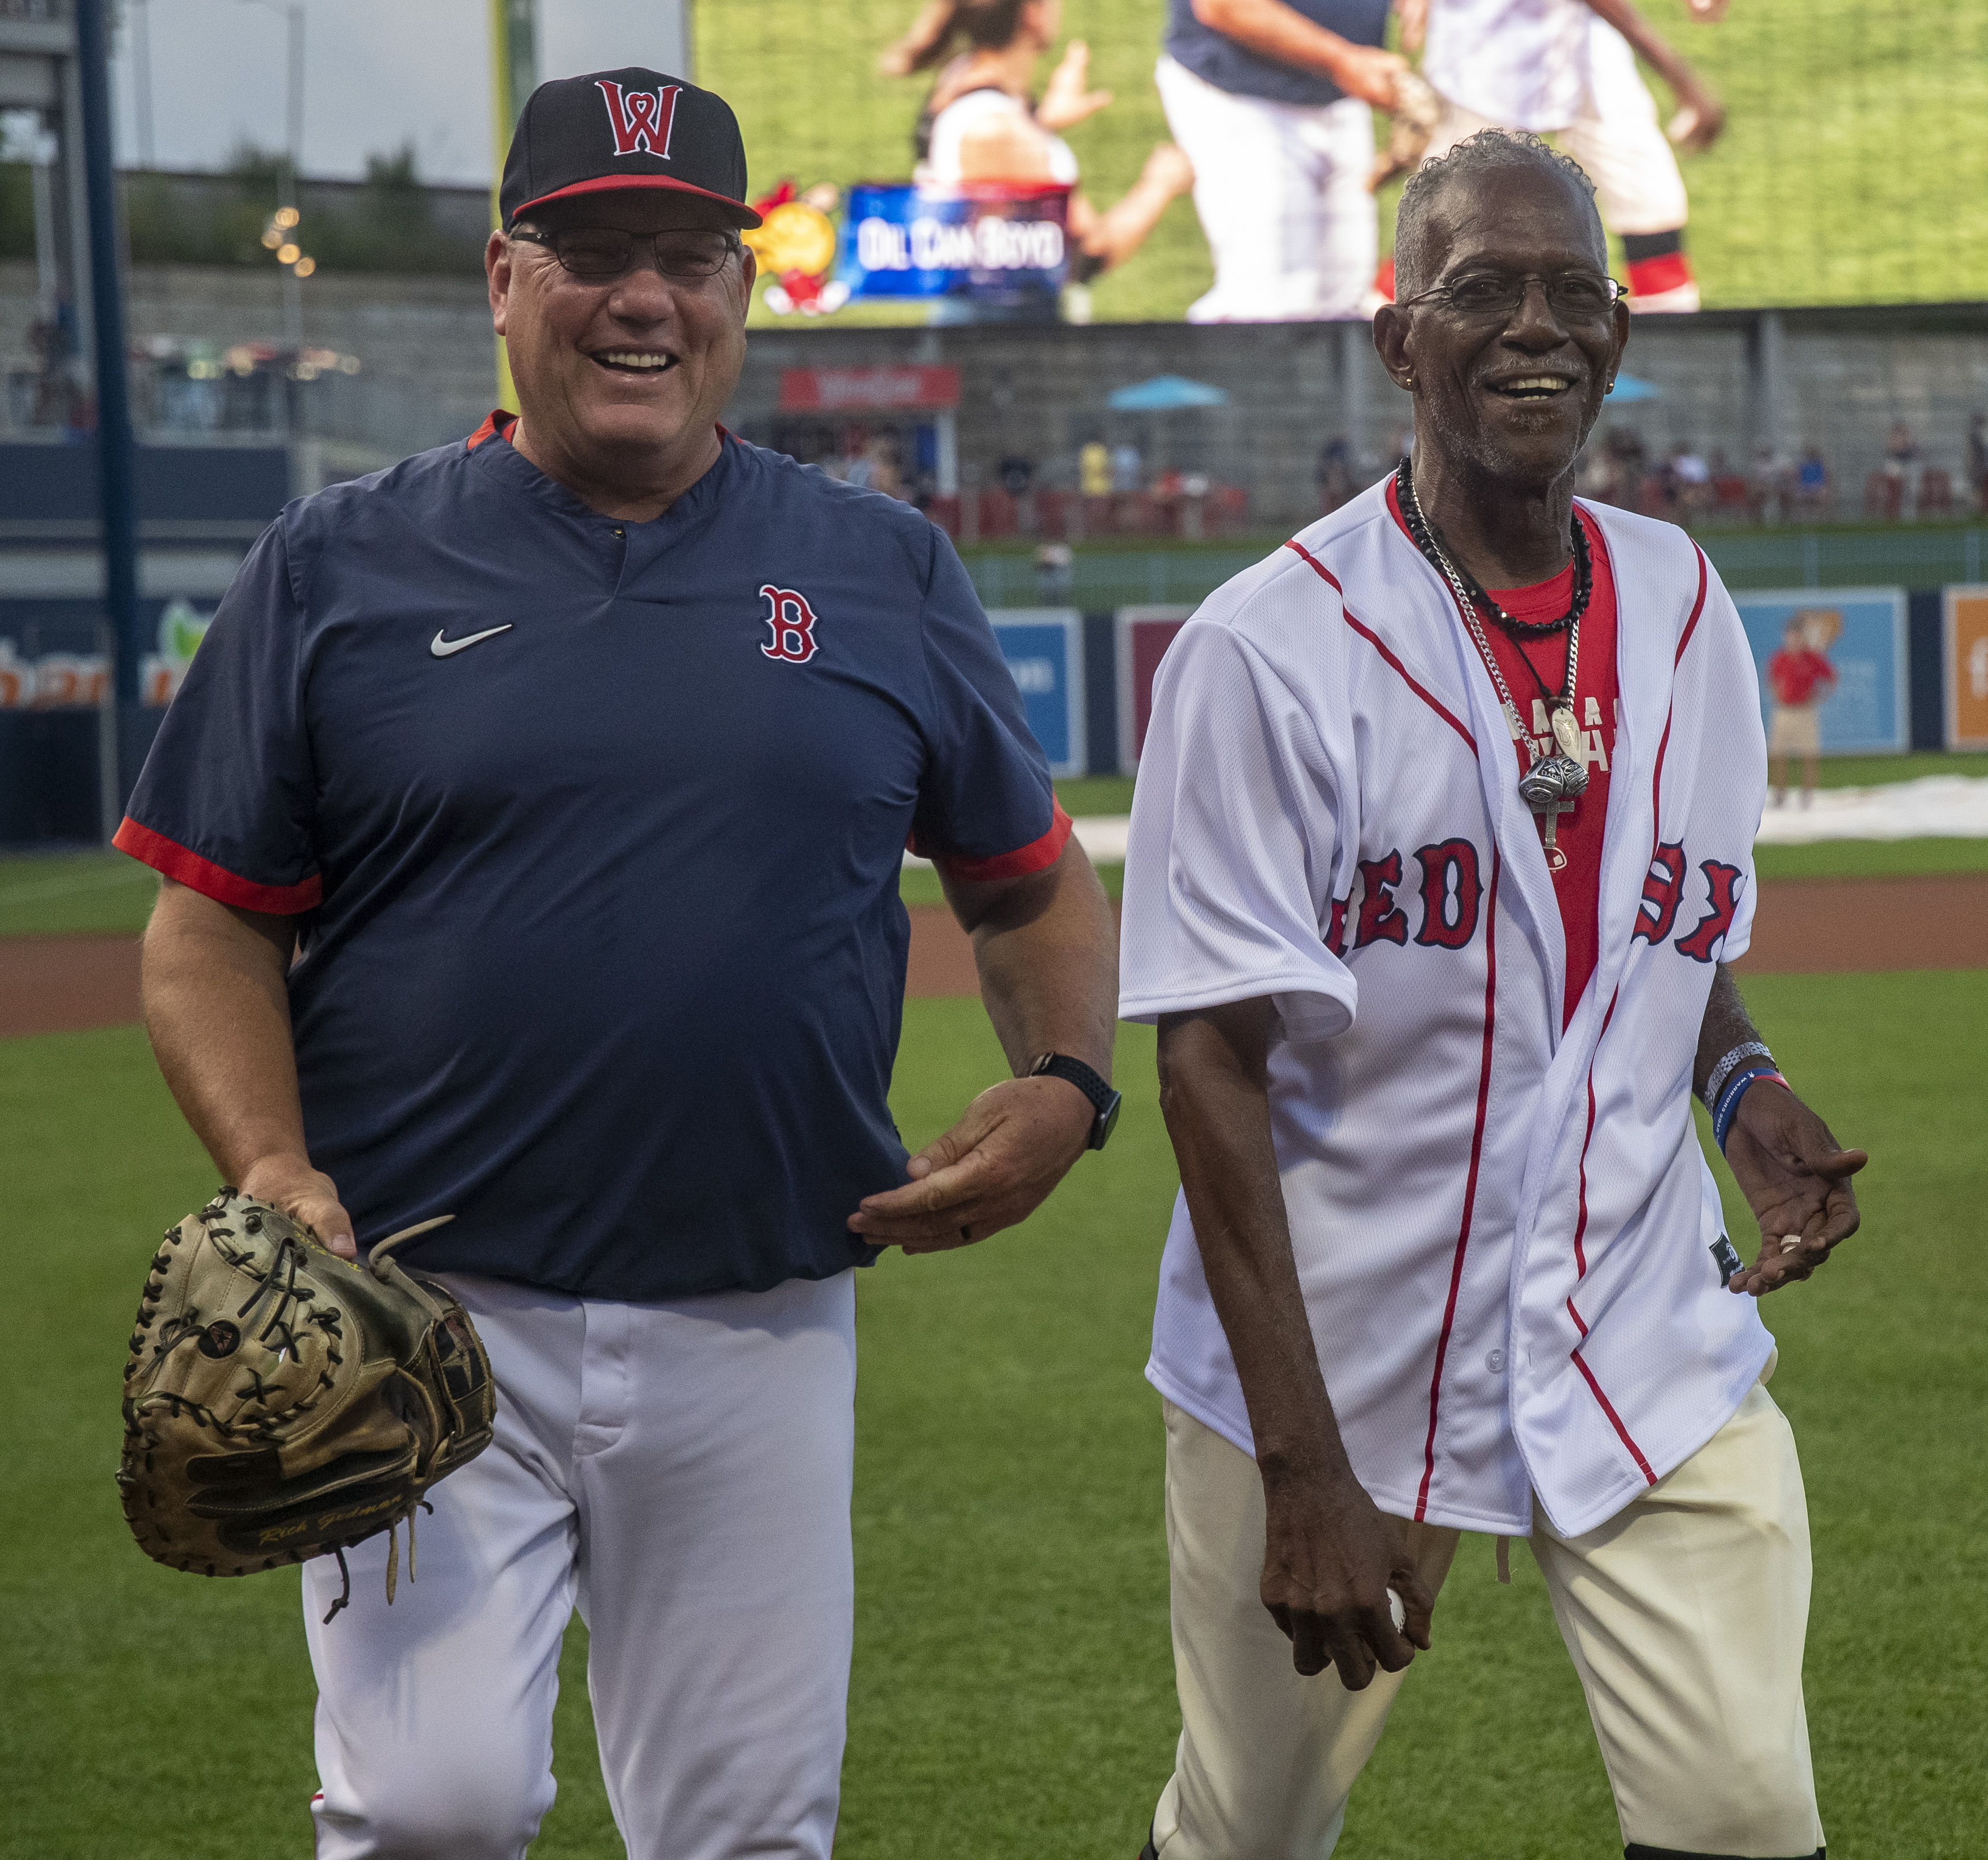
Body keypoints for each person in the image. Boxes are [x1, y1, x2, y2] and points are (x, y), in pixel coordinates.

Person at [112, 68, 1120, 1859]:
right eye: (588, 251)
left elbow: (1029, 885)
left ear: (741, 293)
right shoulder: (337, 563)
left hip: (762, 1310)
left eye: (683, 253)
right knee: (429, 1813)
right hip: (418, 1323)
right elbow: (205, 925)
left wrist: (1068, 1087)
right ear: (506, 280)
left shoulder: (879, 566)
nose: (639, 297)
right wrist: (272, 1173)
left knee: (744, 1834)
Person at [1119, 130, 1864, 1860]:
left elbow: (1664, 934)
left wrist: (1745, 1097)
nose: (1537, 327)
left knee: (1746, 1812)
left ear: (1616, 333)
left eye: (1573, 293)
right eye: (1482, 292)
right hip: (1345, 1366)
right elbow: (1209, 1070)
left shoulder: (1682, 605)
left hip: (1637, 1328)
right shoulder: (1267, 648)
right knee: (1246, 1826)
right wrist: (1303, 1470)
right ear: (1400, 341)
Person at [1404, 0, 1731, 311]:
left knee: (1651, 204)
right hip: (1484, 52)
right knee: (1445, 218)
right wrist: (1681, 78)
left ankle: (1671, 356)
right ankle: (1386, 343)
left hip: (1583, 47)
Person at [889, 0, 1194, 323]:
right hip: (1006, 344)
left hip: (988, 327)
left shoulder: (963, 77)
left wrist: (1042, 124)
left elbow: (999, 179)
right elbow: (1089, 253)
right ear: (1032, 14)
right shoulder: (996, 131)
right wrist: (1159, 185)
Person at [1154, 0, 1405, 320]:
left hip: (1339, 94)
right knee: (1265, 301)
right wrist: (1341, 59)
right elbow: (1222, 6)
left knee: (1347, 298)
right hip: (1240, 95)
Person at [1767, 611, 1836, 807]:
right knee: (1778, 753)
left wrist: (1818, 697)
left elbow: (1831, 679)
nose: (1793, 639)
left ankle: (1807, 795)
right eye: (1790, 635)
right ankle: (1780, 794)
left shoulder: (1812, 658)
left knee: (1809, 753)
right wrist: (1777, 695)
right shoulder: (1780, 658)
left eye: (1797, 635)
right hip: (1784, 711)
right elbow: (1772, 679)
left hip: (1805, 712)